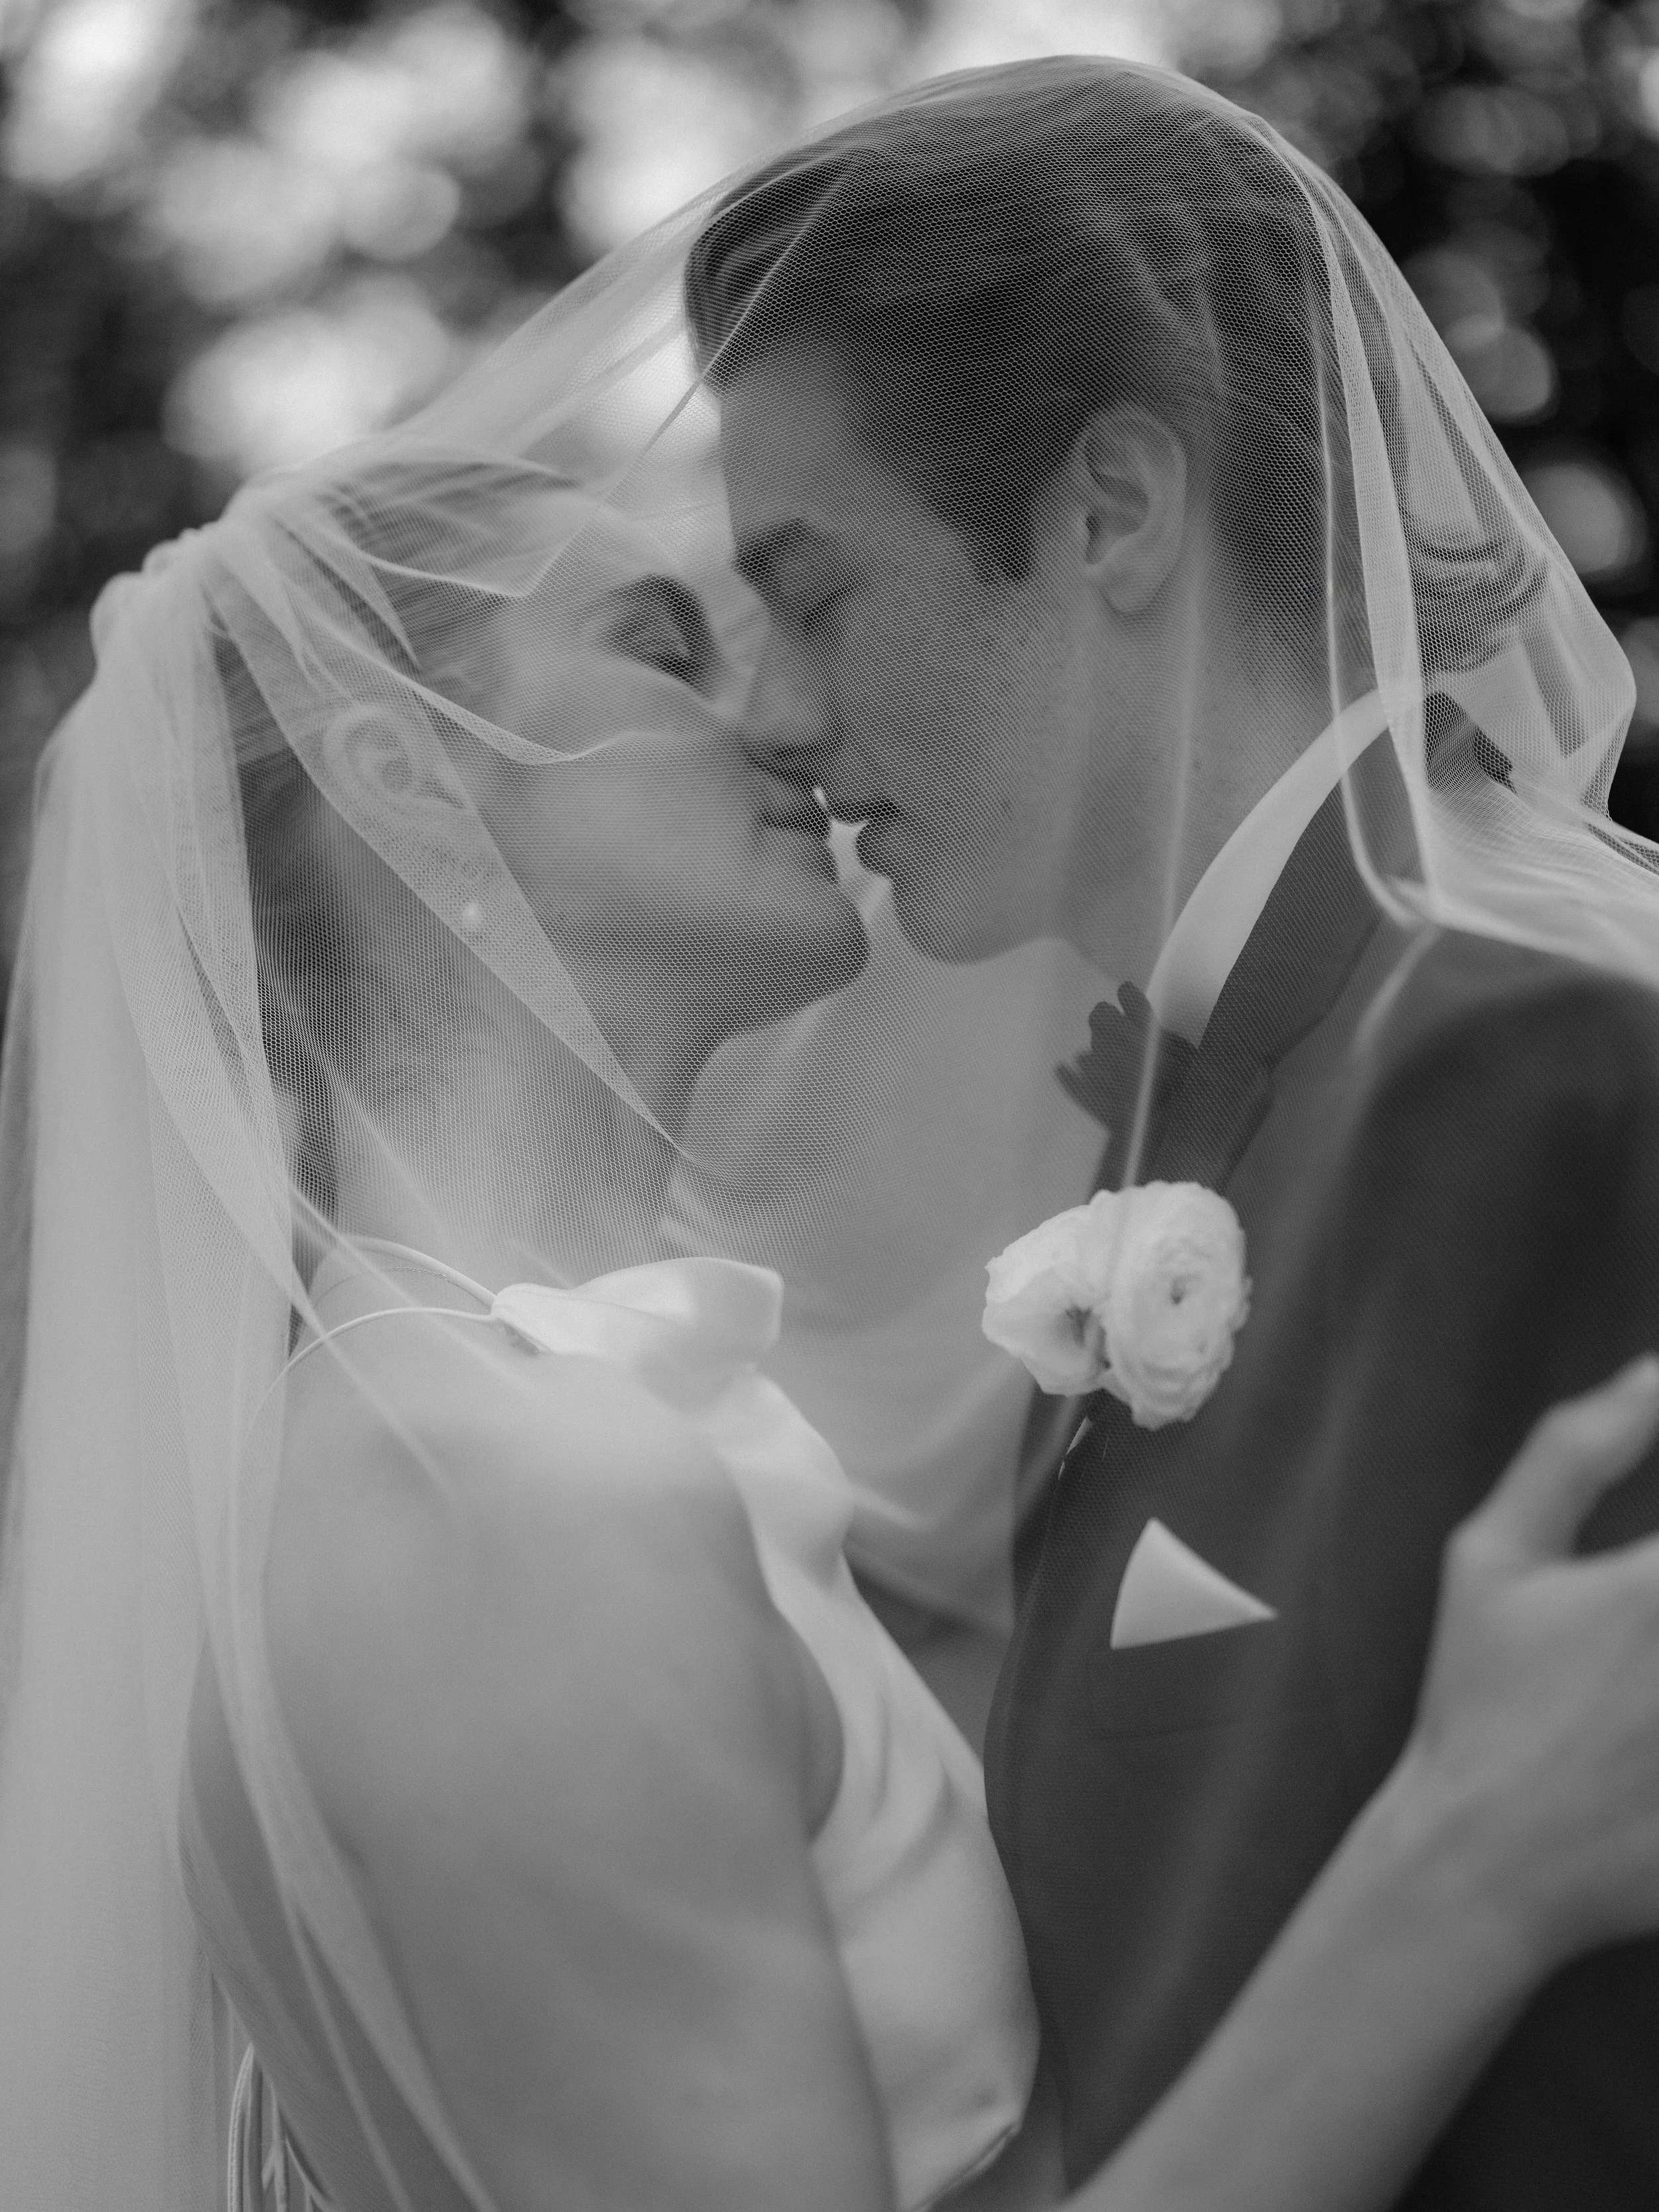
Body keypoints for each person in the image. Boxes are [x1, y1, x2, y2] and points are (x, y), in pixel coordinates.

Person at [5, 82, 1659, 2212]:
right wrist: (1471, 1858)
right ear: (410, 789)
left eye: (797, 594)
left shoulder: (625, 1428)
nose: (779, 714)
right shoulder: (459, 1491)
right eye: (669, 631)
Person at [682, 52, 1659, 2209]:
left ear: (1107, 512)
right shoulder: (1180, 1129)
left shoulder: (1544, 1066)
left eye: (816, 590)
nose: (765, 713)